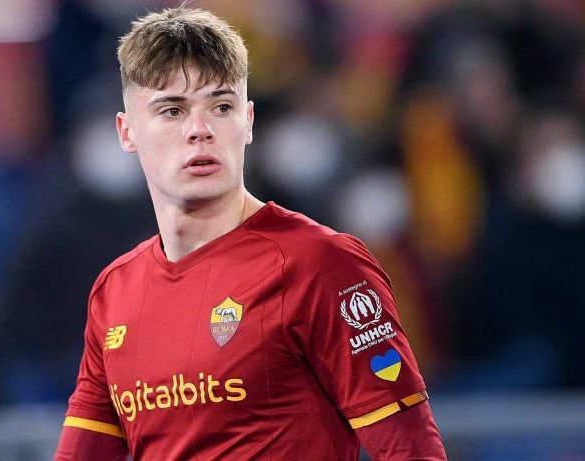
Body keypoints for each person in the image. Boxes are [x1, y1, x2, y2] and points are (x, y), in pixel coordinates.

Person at [55, 7, 446, 460]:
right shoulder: (115, 291)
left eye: (222, 107)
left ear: (248, 121)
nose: (200, 130)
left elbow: (412, 450)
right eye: (172, 110)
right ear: (127, 132)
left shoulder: (321, 265)